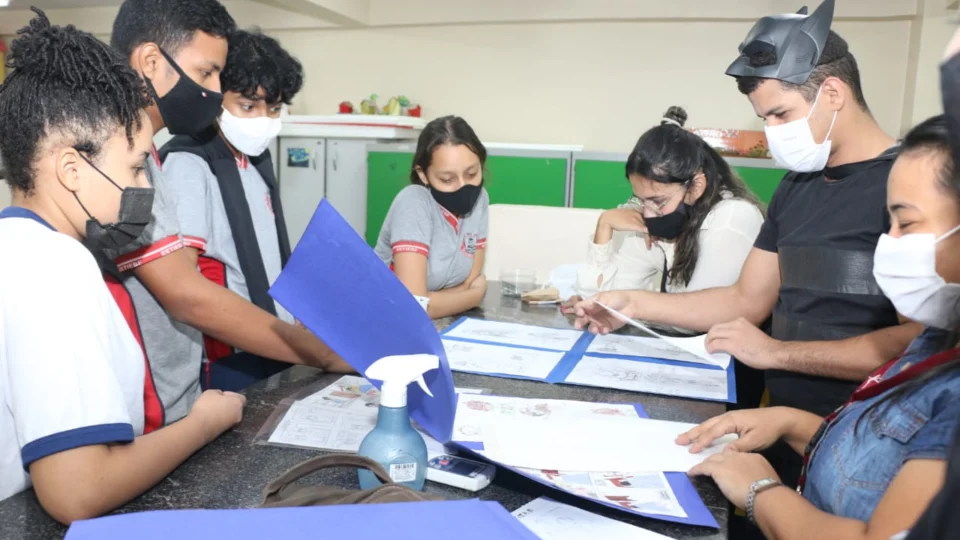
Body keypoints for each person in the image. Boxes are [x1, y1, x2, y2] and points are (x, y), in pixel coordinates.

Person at [574, 2, 920, 485]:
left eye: (781, 114)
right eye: (765, 118)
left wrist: (775, 354)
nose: (772, 133)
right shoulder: (796, 189)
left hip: (868, 447)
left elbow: (917, 343)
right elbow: (743, 300)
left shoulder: (912, 186)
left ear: (833, 93)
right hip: (777, 434)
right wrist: (629, 303)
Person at [0, 10, 243, 521]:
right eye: (134, 167)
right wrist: (203, 423)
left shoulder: (16, 245)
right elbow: (78, 491)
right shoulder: (56, 268)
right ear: (71, 169)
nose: (144, 189)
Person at [675, 113, 960, 540]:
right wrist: (790, 423)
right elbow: (876, 460)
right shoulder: (936, 341)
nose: (890, 243)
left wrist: (760, 491)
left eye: (907, 223)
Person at [105, 0, 351, 413]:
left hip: (188, 392)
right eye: (206, 74)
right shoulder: (133, 157)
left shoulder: (149, 156)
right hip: (168, 391)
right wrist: (321, 352)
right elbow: (187, 292)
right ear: (149, 60)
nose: (214, 90)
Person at [158, 29, 306, 388]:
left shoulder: (255, 162)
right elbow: (185, 283)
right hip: (227, 356)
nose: (263, 119)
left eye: (273, 108)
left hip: (273, 342)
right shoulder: (189, 164)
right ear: (214, 96)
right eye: (248, 105)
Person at [563, 106, 765, 336]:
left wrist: (632, 307)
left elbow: (695, 320)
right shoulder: (659, 223)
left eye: (657, 201)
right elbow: (600, 303)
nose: (648, 215)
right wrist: (605, 226)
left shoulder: (732, 218)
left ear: (696, 187)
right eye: (641, 202)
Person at [374, 115, 489, 319]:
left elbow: (470, 278)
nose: (464, 186)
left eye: (471, 174)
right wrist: (475, 296)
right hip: (381, 319)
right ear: (423, 174)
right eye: (447, 179)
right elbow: (414, 307)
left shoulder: (480, 199)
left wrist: (435, 300)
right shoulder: (414, 203)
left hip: (435, 321)